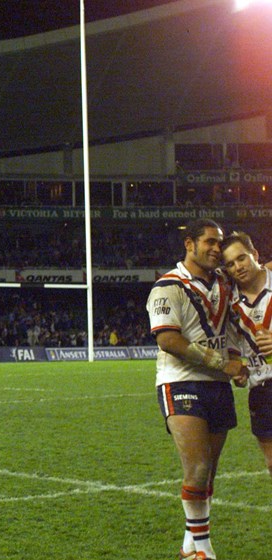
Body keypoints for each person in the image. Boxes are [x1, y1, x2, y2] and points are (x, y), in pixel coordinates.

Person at [146, 219, 249, 560]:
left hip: (217, 386)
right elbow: (169, 340)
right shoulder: (167, 286)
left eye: (220, 242)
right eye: (209, 242)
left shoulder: (224, 282)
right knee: (198, 467)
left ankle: (191, 541)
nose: (217, 248)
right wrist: (223, 364)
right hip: (180, 381)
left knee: (209, 475)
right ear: (189, 244)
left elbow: (232, 327)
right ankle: (202, 550)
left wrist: (234, 362)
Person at [221, 231, 272, 478]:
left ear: (255, 254)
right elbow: (233, 344)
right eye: (230, 264)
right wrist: (237, 369)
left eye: (241, 258)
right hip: (260, 388)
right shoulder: (229, 303)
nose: (237, 267)